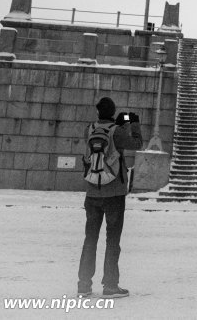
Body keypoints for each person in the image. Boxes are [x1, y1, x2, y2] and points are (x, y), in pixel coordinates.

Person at [77, 97, 142, 299]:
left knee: (90, 239)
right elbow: (137, 144)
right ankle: (110, 286)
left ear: (98, 113)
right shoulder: (118, 130)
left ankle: (83, 285)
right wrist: (133, 123)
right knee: (113, 240)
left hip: (92, 192)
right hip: (114, 193)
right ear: (113, 113)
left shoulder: (89, 129)